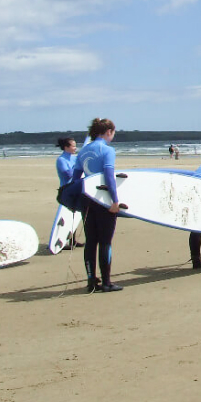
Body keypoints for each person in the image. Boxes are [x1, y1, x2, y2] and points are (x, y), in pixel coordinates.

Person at [72, 118, 123, 293]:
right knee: (105, 242)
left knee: (91, 241)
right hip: (103, 200)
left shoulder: (84, 150)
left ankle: (91, 281)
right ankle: (107, 282)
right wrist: (115, 201)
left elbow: (76, 176)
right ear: (108, 131)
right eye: (113, 133)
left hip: (87, 199)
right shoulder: (107, 150)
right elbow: (109, 176)